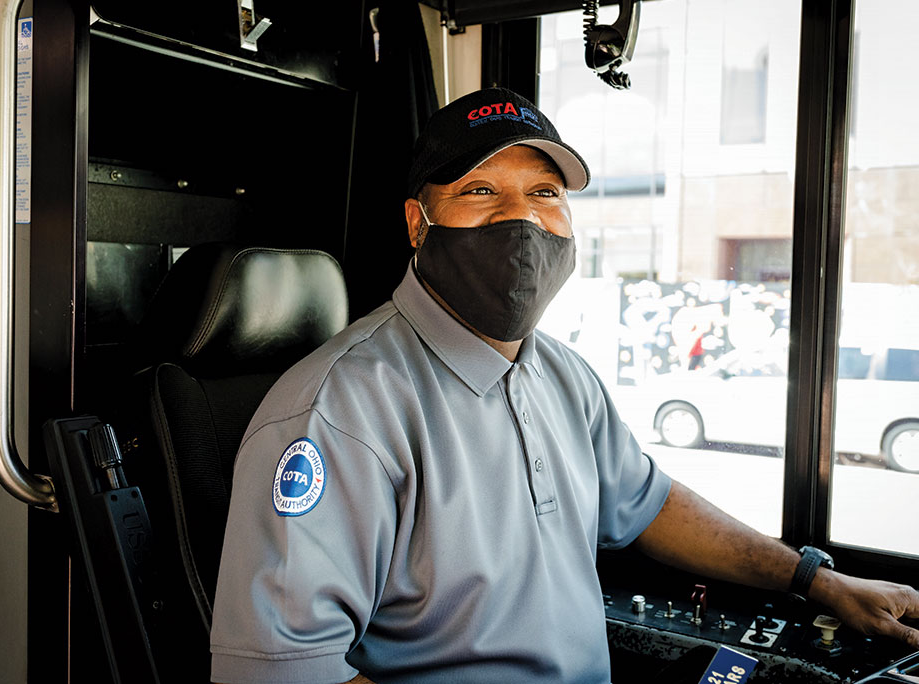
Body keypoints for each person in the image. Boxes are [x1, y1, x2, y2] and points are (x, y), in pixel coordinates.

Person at [209, 87, 919, 684]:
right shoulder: (341, 409)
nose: (520, 219)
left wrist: (816, 581)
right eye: (481, 190)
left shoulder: (562, 374)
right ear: (416, 223)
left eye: (544, 193)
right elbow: (277, 672)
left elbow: (650, 504)